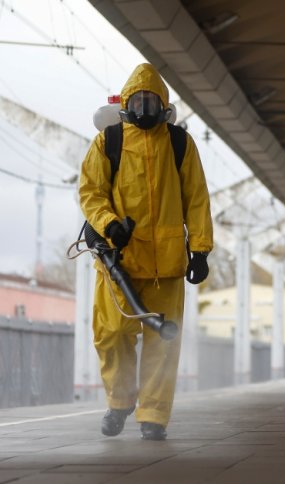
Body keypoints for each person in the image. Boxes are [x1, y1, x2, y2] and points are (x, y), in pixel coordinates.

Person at [78, 63, 213, 440]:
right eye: (137, 100)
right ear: (125, 103)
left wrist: (199, 250)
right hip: (118, 262)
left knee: (162, 343)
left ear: (163, 104)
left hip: (166, 265)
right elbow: (91, 192)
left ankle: (153, 415)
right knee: (110, 334)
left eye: (150, 100)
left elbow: (196, 199)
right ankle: (120, 402)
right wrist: (108, 224)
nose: (143, 107)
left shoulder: (180, 144)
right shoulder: (109, 141)